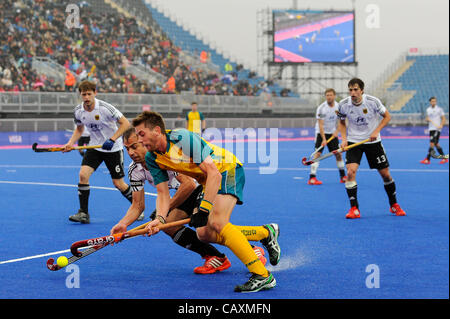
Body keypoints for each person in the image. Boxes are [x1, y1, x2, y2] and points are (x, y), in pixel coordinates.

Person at [132, 111, 280, 293]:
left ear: (156, 130)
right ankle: (265, 233)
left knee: (217, 223)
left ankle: (262, 275)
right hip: (207, 181)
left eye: (141, 134)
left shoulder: (181, 138)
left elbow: (214, 173)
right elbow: (162, 194)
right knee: (204, 234)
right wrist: (161, 219)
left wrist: (203, 210)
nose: (139, 141)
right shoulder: (152, 158)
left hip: (226, 169)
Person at [110, 128, 267, 274]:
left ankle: (252, 247)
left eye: (135, 146)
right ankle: (215, 257)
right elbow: (137, 205)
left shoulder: (162, 157)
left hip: (199, 188)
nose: (131, 152)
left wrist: (162, 212)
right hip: (183, 194)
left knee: (208, 229)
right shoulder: (134, 170)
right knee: (170, 226)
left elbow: (189, 184)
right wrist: (124, 224)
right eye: (127, 148)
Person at [63, 80, 138, 224]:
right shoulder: (78, 111)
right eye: (84, 94)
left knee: (118, 183)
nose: (86, 97)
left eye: (89, 94)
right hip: (95, 147)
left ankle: (137, 207)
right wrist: (70, 143)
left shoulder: (105, 108)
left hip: (113, 148)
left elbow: (126, 123)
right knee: (83, 175)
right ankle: (83, 213)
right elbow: (79, 129)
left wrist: (112, 139)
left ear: (95, 93)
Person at [337, 78, 406, 219]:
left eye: (355, 89)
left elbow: (387, 117)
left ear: (362, 90)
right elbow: (342, 122)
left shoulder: (373, 101)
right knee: (350, 172)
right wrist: (344, 140)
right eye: (350, 89)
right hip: (353, 142)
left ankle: (394, 204)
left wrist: (376, 131)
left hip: (373, 142)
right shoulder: (343, 105)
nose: (353, 92)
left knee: (385, 175)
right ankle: (354, 209)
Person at [308, 88, 346, 185]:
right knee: (318, 155)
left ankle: (343, 176)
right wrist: (324, 139)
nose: (329, 97)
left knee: (338, 154)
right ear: (325, 97)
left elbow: (341, 121)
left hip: (332, 133)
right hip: (321, 133)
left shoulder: (338, 107)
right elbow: (320, 125)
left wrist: (337, 131)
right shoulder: (322, 108)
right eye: (327, 95)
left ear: (334, 96)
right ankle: (312, 178)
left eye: (330, 95)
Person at [420, 97, 448, 164]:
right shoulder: (428, 109)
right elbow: (427, 118)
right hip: (431, 128)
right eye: (432, 101)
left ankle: (427, 159)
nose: (433, 102)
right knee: (436, 144)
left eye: (435, 101)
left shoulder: (439, 109)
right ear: (430, 102)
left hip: (437, 129)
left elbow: (443, 119)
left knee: (432, 143)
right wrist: (427, 119)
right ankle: (444, 158)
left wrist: (441, 125)